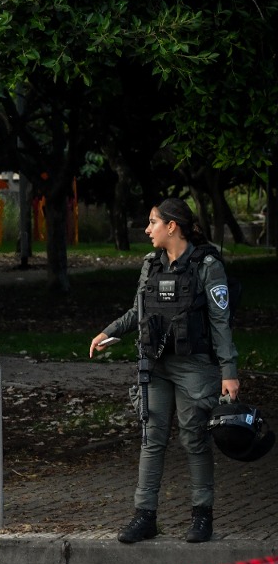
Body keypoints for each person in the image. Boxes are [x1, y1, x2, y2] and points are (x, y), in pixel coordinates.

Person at [89, 198, 239, 545]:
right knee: (151, 439)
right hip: (155, 365)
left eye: (153, 222)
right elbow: (137, 310)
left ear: (172, 226)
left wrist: (229, 371)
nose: (147, 229)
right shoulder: (150, 264)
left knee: (194, 438)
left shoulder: (208, 265)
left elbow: (220, 322)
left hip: (194, 367)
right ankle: (145, 516)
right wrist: (108, 331)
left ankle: (202, 516)